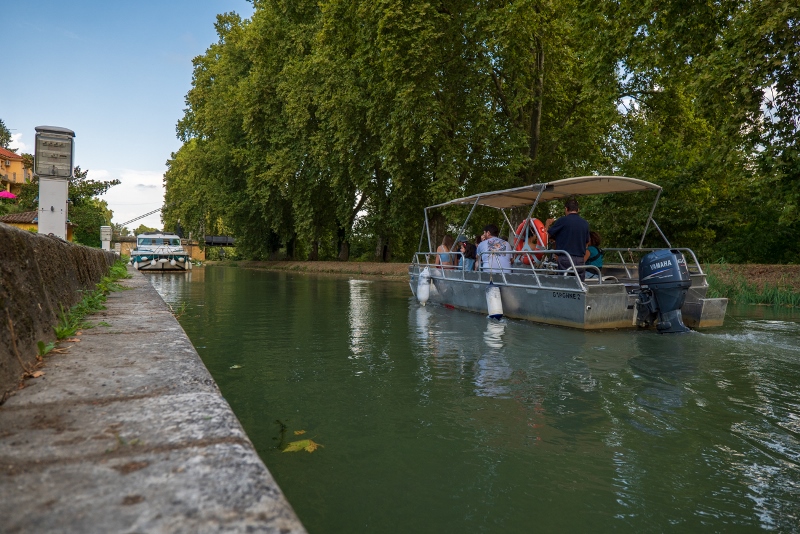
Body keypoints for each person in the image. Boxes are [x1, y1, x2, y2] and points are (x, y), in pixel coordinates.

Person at [546, 198, 590, 280]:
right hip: (580, 259)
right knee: (579, 284)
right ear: (578, 210)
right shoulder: (585, 223)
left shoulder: (562, 221)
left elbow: (546, 236)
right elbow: (587, 242)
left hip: (565, 258)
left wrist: (547, 225)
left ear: (566, 209)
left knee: (564, 284)